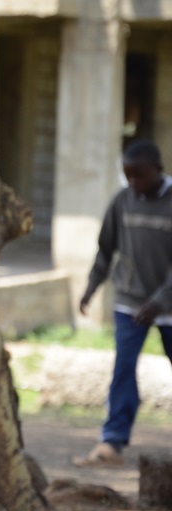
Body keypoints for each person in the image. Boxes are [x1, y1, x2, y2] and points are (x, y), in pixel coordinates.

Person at [75, 139, 172, 467]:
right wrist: (91, 287)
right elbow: (106, 249)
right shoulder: (122, 201)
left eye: (139, 176)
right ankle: (112, 442)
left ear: (158, 170)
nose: (132, 183)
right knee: (123, 370)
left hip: (168, 307)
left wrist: (160, 301)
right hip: (130, 303)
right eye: (127, 176)